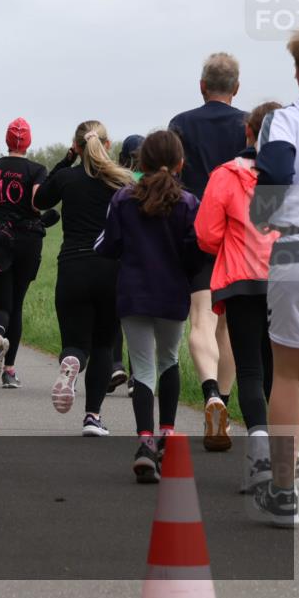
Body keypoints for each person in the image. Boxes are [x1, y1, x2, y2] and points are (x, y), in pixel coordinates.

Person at [95, 130, 204, 483]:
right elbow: (195, 252)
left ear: (139, 162)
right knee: (169, 360)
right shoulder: (188, 203)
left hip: (133, 293)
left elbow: (107, 245)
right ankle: (167, 436)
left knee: (142, 368)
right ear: (180, 163)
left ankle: (144, 443)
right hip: (172, 293)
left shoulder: (124, 199)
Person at [196, 101, 282, 492]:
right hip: (291, 282)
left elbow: (207, 234)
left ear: (248, 132)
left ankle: (260, 456)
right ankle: (288, 457)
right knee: (285, 374)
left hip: (243, 281)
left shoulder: (226, 175)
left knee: (249, 369)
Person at [250, 22, 299, 527]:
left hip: (298, 251)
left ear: (297, 72)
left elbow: (273, 169)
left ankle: (284, 493)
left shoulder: (288, 119)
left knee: (290, 374)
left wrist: (263, 212)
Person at [34, 121, 133, 436]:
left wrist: (65, 161)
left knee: (75, 343)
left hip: (73, 267)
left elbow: (38, 201)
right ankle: (92, 417)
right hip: (110, 268)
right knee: (104, 345)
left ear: (76, 147)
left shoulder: (66, 178)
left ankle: (71, 364)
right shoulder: (122, 181)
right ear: (108, 143)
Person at [169, 52, 246, 452]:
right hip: (238, 235)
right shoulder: (249, 125)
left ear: (202, 86)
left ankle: (210, 393)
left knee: (199, 320)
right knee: (228, 325)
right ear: (236, 87)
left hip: (196, 233)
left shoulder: (180, 124)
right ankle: (226, 404)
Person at [0, 117, 49, 388]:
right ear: (28, 142)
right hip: (28, 242)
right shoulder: (37, 169)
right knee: (17, 304)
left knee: (1, 305)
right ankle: (9, 371)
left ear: (7, 140)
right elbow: (37, 203)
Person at [112, 134, 146, 398]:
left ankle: (115, 365)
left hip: (119, 256)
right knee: (139, 319)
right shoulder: (153, 184)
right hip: (144, 260)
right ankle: (137, 375)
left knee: (114, 314)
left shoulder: (116, 183)